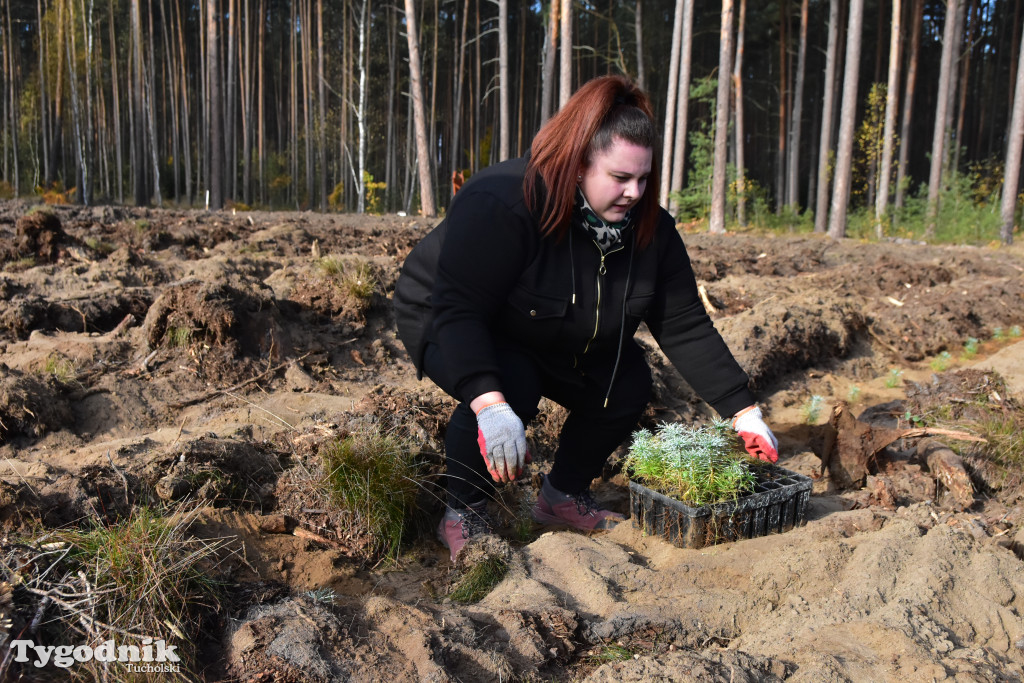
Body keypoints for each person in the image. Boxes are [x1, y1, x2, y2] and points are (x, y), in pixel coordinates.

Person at [394, 75, 778, 563]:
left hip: (547, 323)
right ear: (578, 165)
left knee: (626, 380)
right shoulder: (504, 202)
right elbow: (460, 310)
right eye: (619, 178)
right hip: (448, 315)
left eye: (644, 178)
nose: (635, 192)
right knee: (512, 381)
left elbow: (683, 323)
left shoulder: (649, 231)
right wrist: (489, 406)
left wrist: (744, 412)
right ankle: (464, 510)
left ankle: (560, 496)